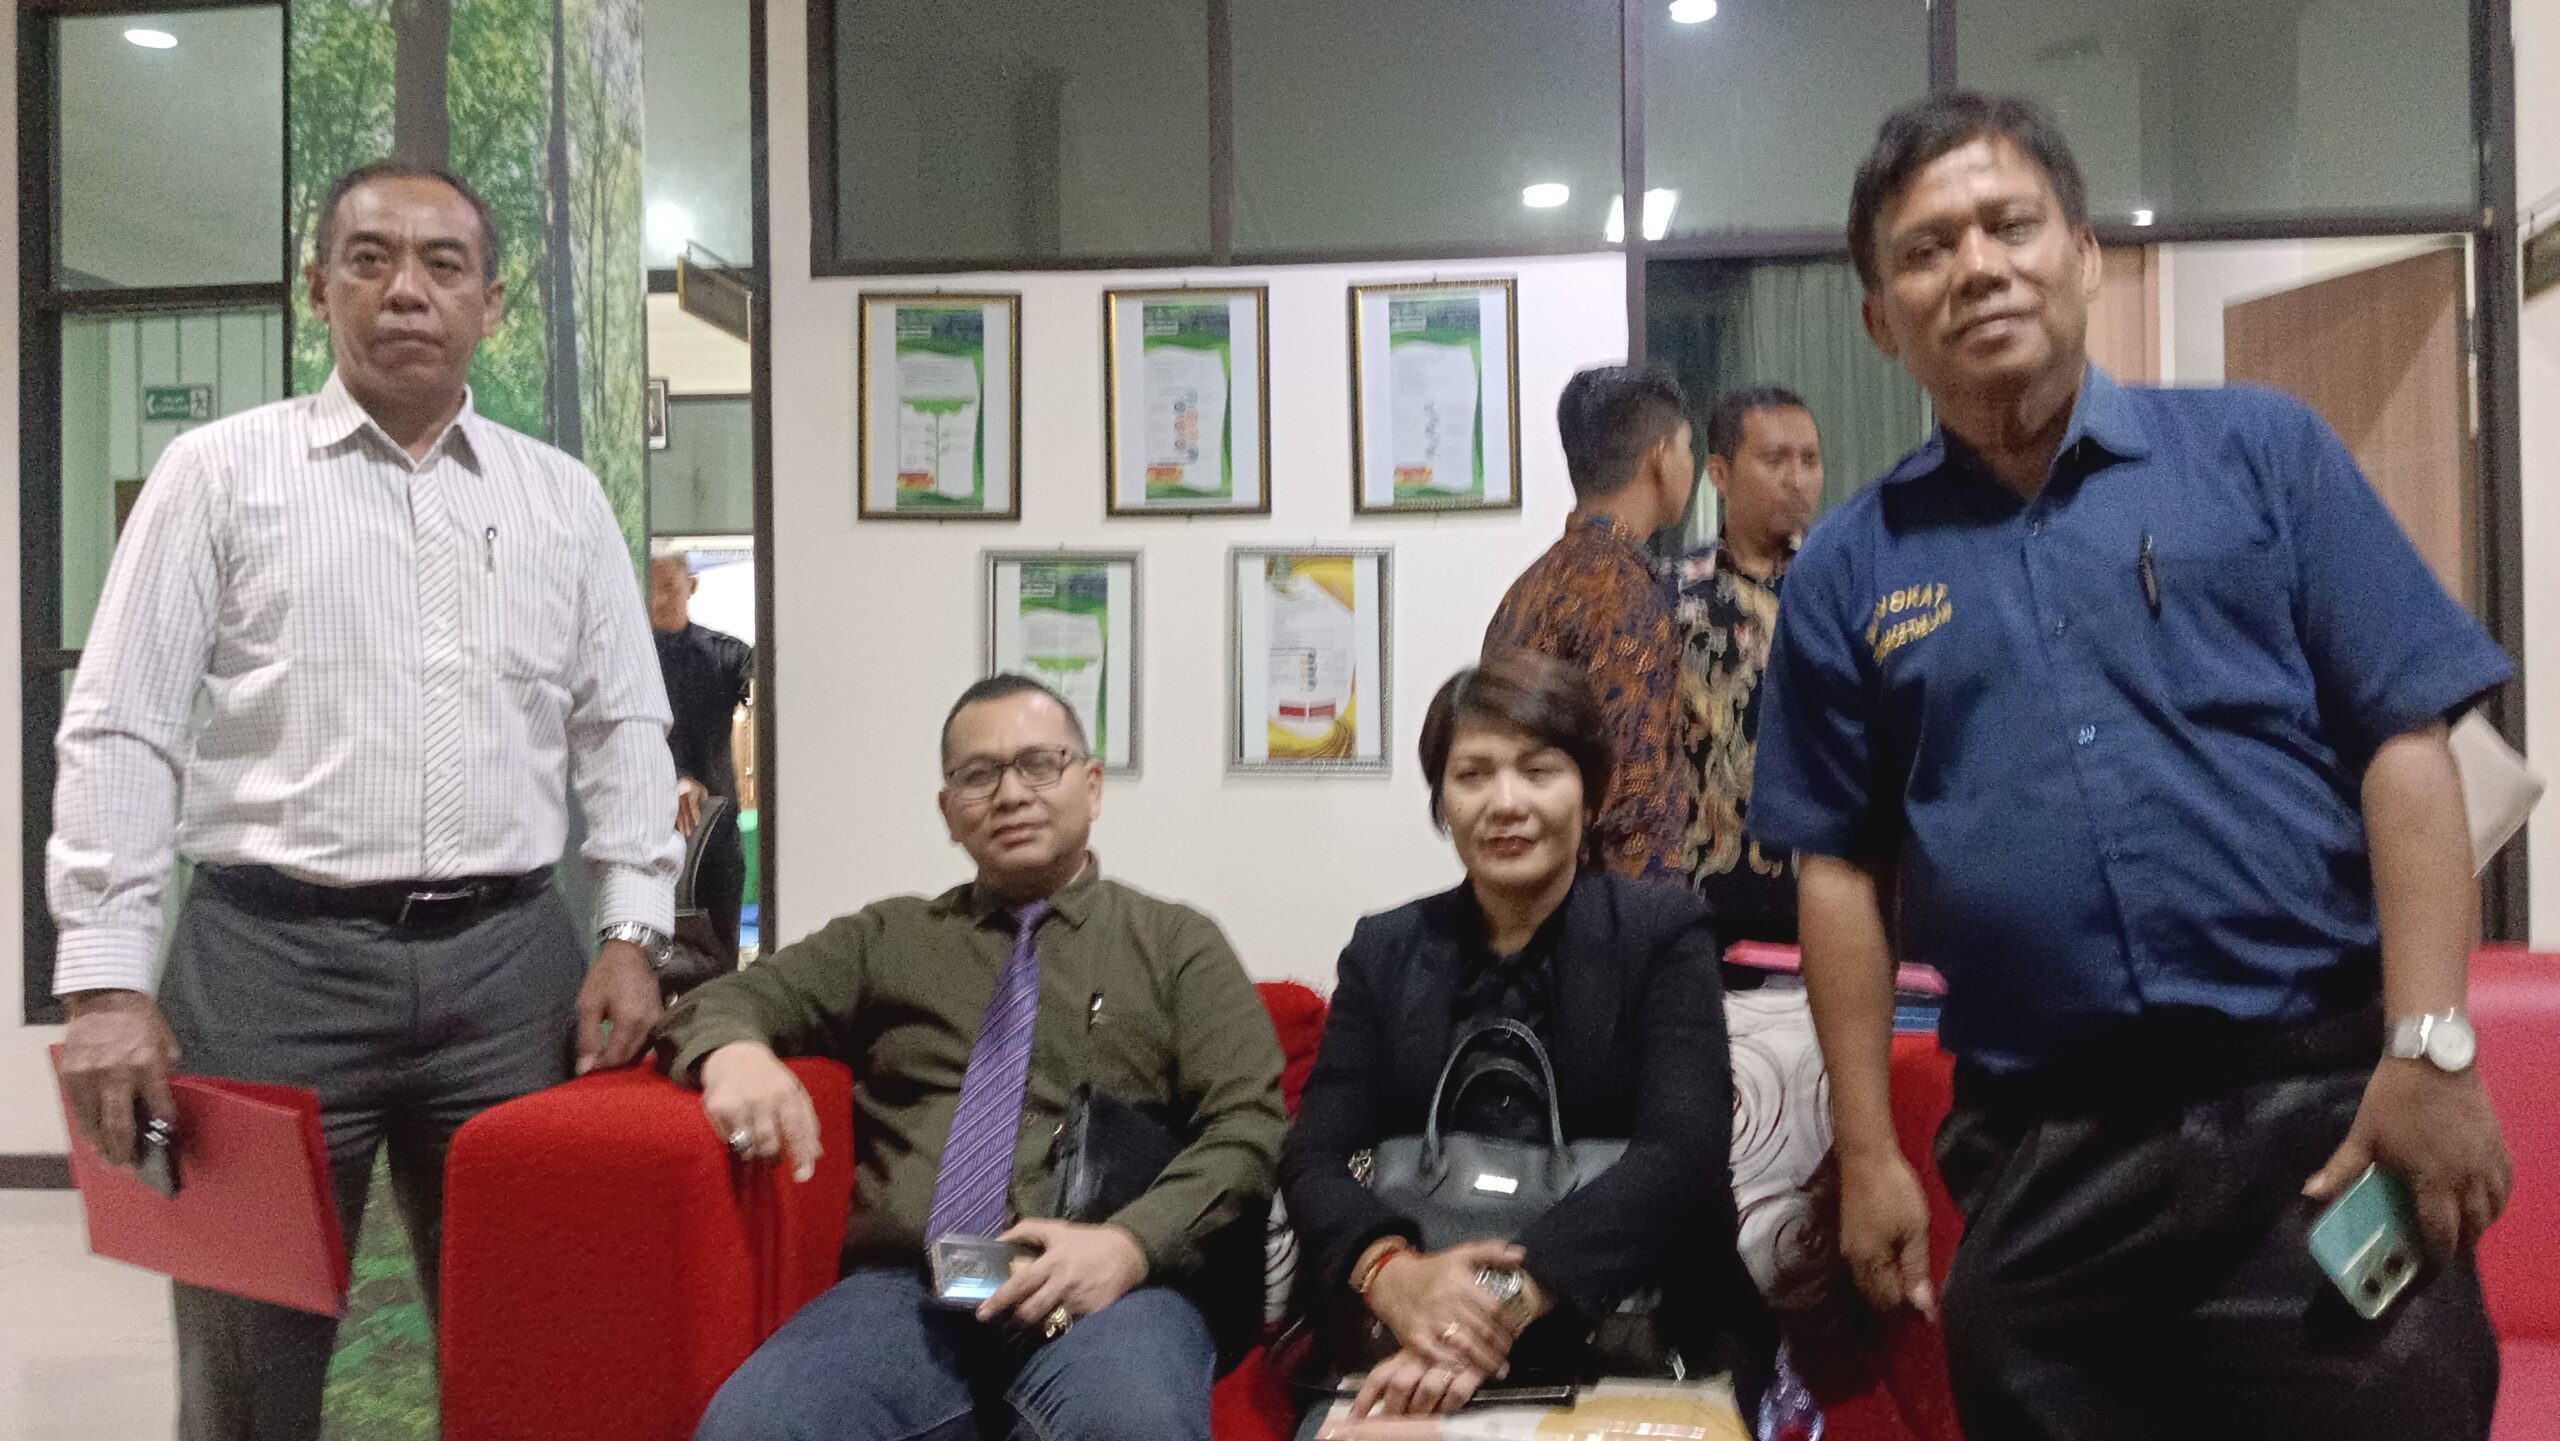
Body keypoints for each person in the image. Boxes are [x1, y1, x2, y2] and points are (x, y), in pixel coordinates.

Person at [1752, 92, 2509, 1439]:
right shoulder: (1848, 570)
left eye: (2009, 224)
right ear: (1878, 320)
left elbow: (2406, 745)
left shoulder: (2260, 454)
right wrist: (1866, 1153)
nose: (1976, 267)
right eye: (1926, 249)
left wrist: (2432, 1046)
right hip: (2045, 1157)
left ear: (2085, 252)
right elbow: (1839, 875)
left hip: (2321, 1126)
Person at [48, 159, 681, 1441]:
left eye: (444, 265)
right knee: (247, 1369)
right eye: (371, 259)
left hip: (511, 975)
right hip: (266, 971)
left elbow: (623, 726)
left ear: (490, 303)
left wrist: (632, 931)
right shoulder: (216, 475)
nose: (406, 291)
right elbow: (121, 724)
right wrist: (107, 982)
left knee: (524, 1351)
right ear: (318, 286)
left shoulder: (560, 499)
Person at [669, 675, 1287, 1441]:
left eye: (1039, 764)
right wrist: (734, 1052)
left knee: (1130, 1426)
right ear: (947, 810)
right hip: (911, 1292)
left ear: (1092, 786)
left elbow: (1249, 1125)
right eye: (978, 774)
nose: (1011, 793)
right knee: (757, 1425)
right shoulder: (890, 939)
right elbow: (724, 998)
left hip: (1113, 1288)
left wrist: (1130, 1245)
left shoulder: (1175, 942)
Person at [1279, 650, 1772, 1432]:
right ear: (1443, 801)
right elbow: (1314, 1156)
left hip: (1639, 1333)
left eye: (1539, 771)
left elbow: (1682, 1158)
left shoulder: (1663, 935)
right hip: (1405, 1334)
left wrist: (1493, 1307)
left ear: (1592, 792)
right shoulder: (1385, 950)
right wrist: (1392, 1276)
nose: (1506, 803)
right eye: (1472, 775)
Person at [1483, 366, 1698, 882]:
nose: (1691, 464)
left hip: (1520, 887)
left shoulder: (1528, 587)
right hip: (1599, 906)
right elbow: (1634, 799)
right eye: (1689, 448)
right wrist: (1648, 919)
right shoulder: (1621, 593)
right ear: (1660, 458)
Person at [1673, 386, 1824, 947]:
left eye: (1809, 459)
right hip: (1700, 899)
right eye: (1775, 459)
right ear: (1720, 472)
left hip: (1826, 897)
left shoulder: (1843, 592)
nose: (1797, 478)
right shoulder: (1671, 597)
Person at [650, 549, 753, 963]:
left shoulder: (726, 655)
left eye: (669, 587)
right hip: (650, 830)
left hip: (717, 834)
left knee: (720, 960)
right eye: (650, 589)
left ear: (691, 586)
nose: (659, 600)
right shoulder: (632, 660)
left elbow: (766, 690)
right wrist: (673, 777)